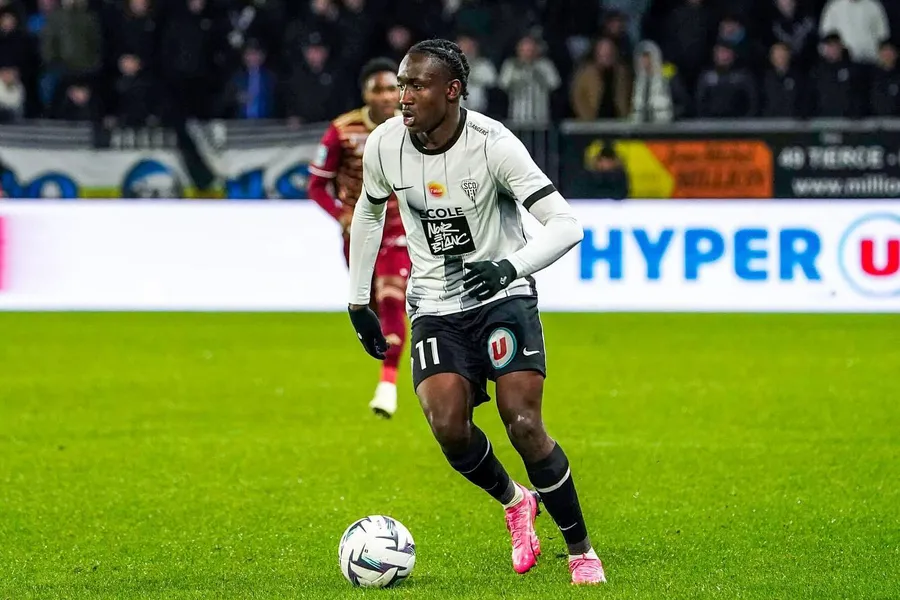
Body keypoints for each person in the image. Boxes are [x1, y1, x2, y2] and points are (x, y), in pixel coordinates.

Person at [345, 39, 606, 585]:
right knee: (448, 427)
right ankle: (516, 502)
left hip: (501, 298)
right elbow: (368, 213)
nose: (403, 97)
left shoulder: (494, 145)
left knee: (523, 424)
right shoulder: (385, 144)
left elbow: (566, 226)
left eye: (417, 86)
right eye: (401, 84)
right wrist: (357, 300)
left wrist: (509, 267)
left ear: (452, 90)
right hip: (434, 303)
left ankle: (580, 551)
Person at [308, 57, 409, 418]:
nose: (386, 96)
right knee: (372, 308)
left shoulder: (412, 126)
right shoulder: (342, 130)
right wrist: (342, 215)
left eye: (392, 88)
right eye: (378, 89)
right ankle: (392, 353)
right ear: (366, 94)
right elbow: (317, 185)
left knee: (393, 299)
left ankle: (387, 385)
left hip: (399, 229)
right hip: (360, 233)